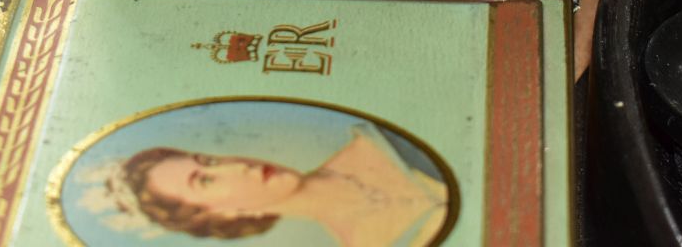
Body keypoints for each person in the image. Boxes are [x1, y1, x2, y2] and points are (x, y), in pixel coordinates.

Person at [106, 123, 449, 246]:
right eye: (206, 179)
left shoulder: (378, 138)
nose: (237, 165)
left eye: (209, 160)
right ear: (225, 217)